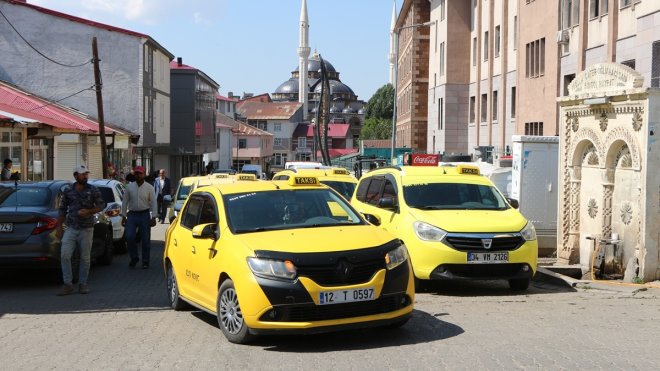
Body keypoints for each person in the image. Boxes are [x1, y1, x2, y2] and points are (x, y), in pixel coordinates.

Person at [55, 165, 104, 296]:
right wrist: (59, 227)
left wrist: (89, 211)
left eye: (86, 174)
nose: (85, 176)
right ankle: (67, 284)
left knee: (85, 258)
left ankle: (83, 283)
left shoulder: (93, 190)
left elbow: (101, 205)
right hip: (71, 227)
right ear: (75, 175)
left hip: (87, 228)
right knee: (65, 254)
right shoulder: (68, 190)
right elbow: (62, 209)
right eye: (82, 174)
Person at [121, 166, 157, 269]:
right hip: (132, 214)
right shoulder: (129, 187)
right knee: (129, 237)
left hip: (144, 215)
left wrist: (153, 217)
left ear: (144, 174)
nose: (138, 175)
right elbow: (124, 202)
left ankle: (145, 261)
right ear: (134, 175)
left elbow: (154, 202)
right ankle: (134, 257)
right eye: (136, 173)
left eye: (140, 173)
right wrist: (123, 216)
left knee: (145, 239)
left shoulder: (149, 187)